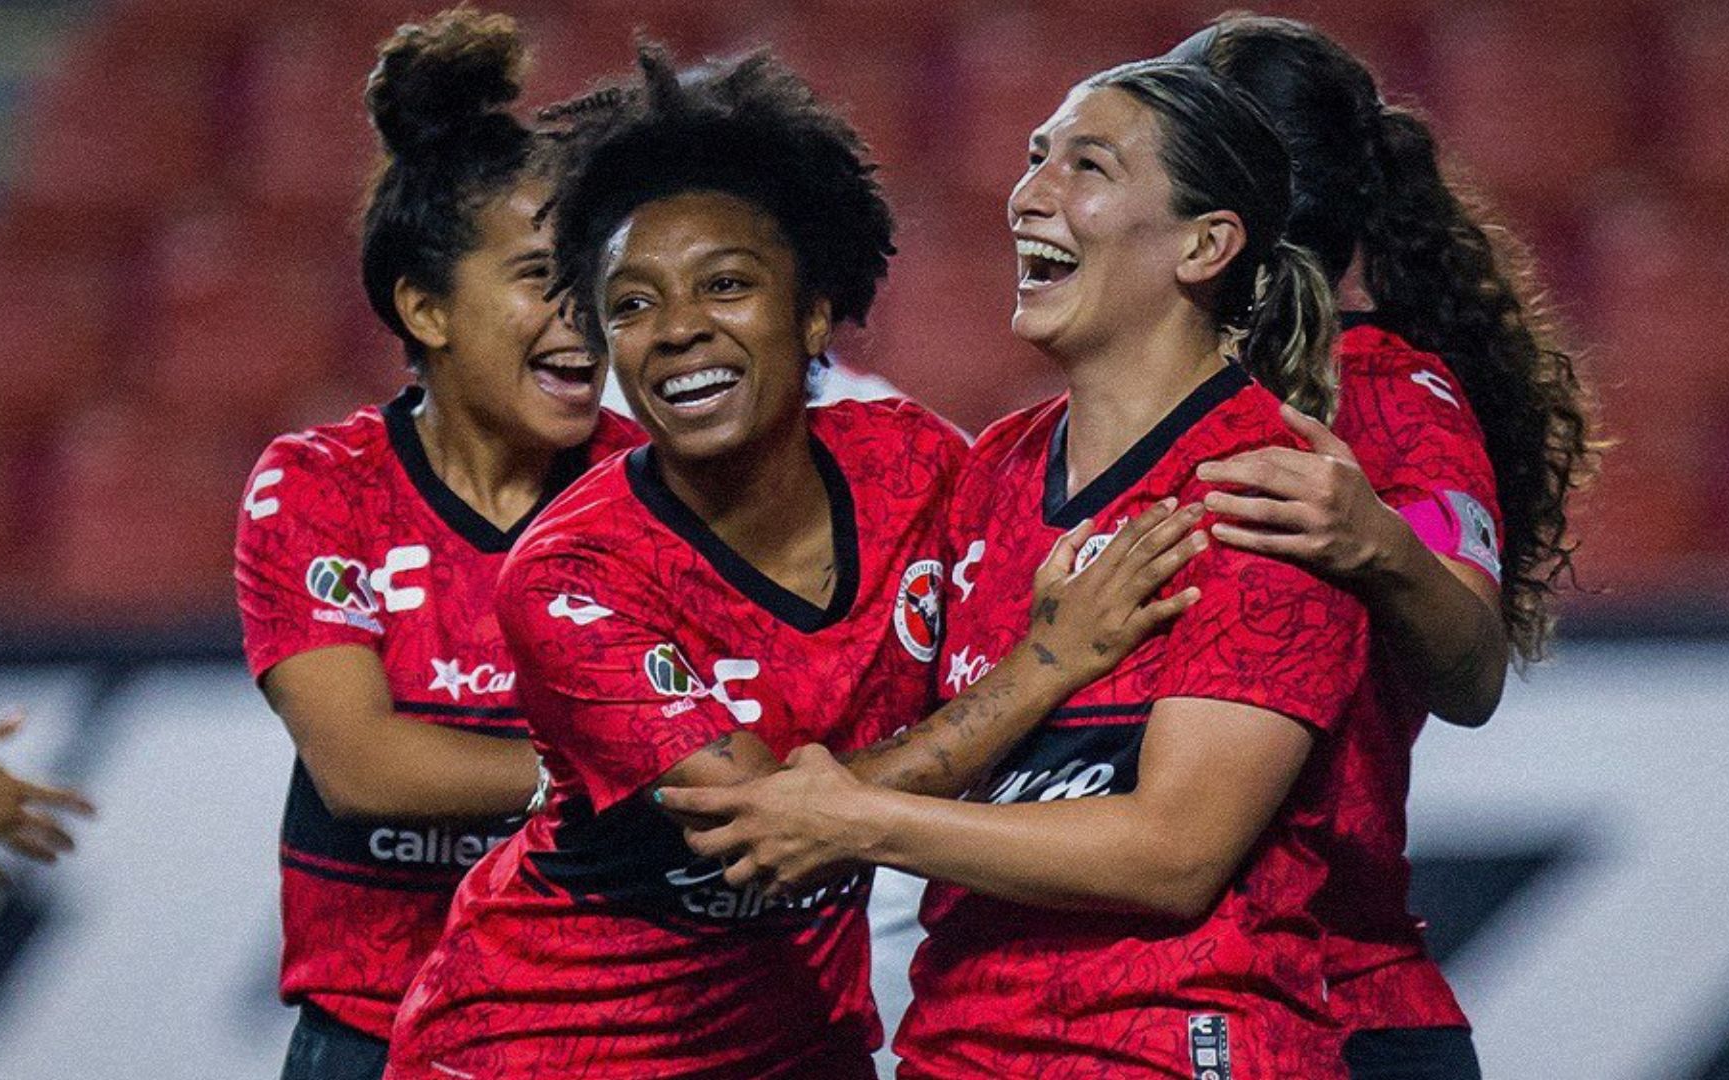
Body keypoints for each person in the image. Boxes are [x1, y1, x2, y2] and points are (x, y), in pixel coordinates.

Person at [385, 46, 1208, 1080]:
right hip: (540, 1047)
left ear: (814, 311)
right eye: (632, 305)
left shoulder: (918, 467)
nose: (679, 330)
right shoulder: (571, 572)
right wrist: (1046, 665)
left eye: (725, 286)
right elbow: (762, 828)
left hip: (789, 1041)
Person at [663, 59, 1377, 1078]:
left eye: (1086, 165)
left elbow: (1175, 853)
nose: (1029, 193)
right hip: (958, 1049)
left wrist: (856, 819)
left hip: (1173, 1048)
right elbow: (913, 742)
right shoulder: (992, 468)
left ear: (1206, 244)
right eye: (1034, 156)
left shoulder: (1265, 492)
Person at [1165, 17, 1598, 1077]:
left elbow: (1473, 670)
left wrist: (1380, 546)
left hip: (1341, 1008)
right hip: (1136, 1009)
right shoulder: (1106, 422)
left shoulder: (1395, 398)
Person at [232, 10, 642, 1078]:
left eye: (596, 275)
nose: (585, 317)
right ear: (426, 307)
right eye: (540, 279)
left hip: (596, 1040)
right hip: (371, 1041)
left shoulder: (657, 489)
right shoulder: (321, 488)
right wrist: (633, 775)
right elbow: (365, 767)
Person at [0, 713, 93, 888]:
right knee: (36, 829)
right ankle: (53, 842)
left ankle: (53, 842)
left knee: (37, 827)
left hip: (3, 809)